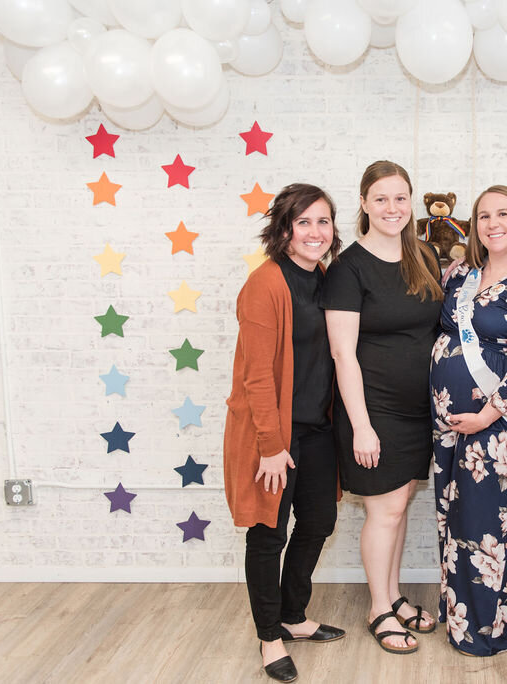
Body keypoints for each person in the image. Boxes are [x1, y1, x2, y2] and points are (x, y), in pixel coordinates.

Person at [223, 183, 346, 683]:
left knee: (317, 522)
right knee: (268, 534)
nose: (315, 232)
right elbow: (256, 375)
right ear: (284, 229)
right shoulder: (265, 284)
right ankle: (269, 636)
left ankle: (294, 616)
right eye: (304, 222)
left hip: (317, 430)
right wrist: (271, 447)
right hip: (271, 435)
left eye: (323, 222)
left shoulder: (325, 278)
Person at [321, 160, 443, 655]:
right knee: (385, 511)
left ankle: (392, 598)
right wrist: (361, 427)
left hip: (422, 410)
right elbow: (341, 353)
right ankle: (378, 608)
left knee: (398, 505)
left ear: (410, 202)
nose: (392, 208)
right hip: (374, 410)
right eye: (381, 199)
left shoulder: (425, 254)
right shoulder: (348, 268)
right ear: (365, 204)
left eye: (400, 198)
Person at [430, 185, 507, 656]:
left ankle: (494, 630)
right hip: (450, 426)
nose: (492, 223)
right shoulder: (462, 274)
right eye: (483, 215)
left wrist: (485, 415)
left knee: (494, 528)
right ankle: (460, 620)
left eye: (503, 214)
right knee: (455, 521)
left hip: (500, 430)